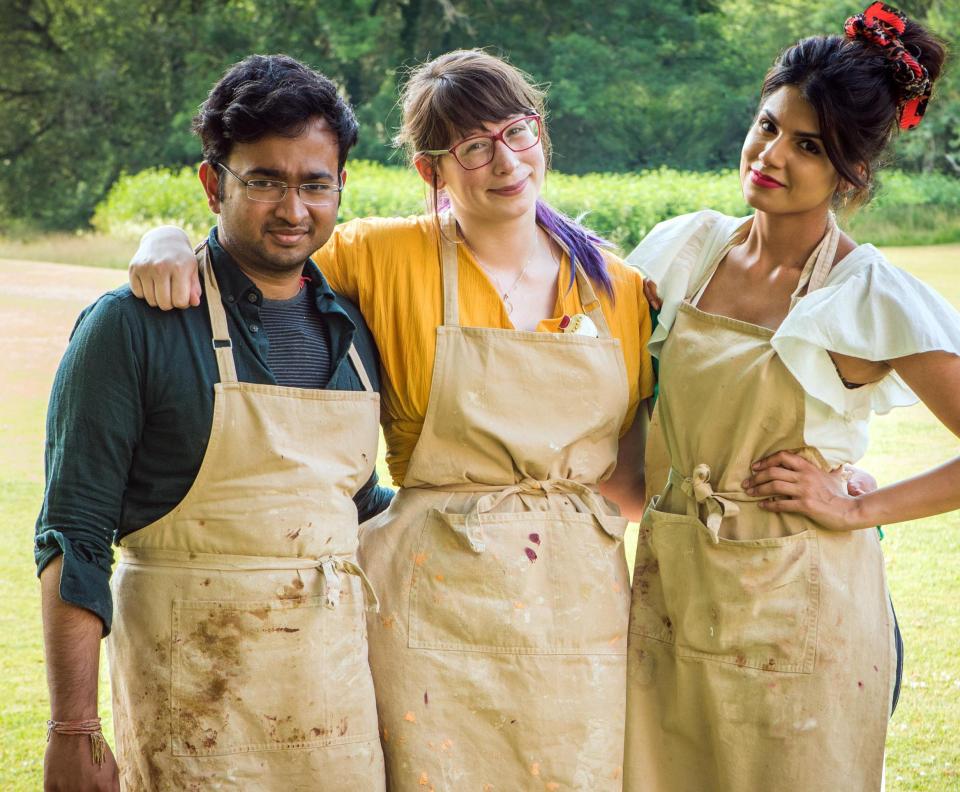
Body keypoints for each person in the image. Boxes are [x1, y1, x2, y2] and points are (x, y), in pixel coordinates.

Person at [130, 49, 653, 790]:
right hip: (429, 607)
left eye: (516, 131)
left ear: (541, 134)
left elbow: (631, 478)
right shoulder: (377, 256)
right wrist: (163, 242)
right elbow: (261, 243)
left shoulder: (620, 286)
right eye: (471, 146)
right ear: (429, 170)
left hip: (578, 612)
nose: (502, 160)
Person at [36, 54, 393, 791]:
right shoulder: (131, 328)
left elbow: (352, 507)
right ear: (212, 183)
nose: (293, 210)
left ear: (341, 186)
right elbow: (73, 536)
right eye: (264, 180)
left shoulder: (357, 330)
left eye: (314, 184)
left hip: (335, 719)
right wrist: (72, 729)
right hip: (191, 708)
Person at [623, 4, 958, 789]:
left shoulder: (863, 293)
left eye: (808, 146)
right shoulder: (685, 250)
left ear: (853, 173)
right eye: (769, 125)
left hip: (800, 615)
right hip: (674, 590)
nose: (771, 154)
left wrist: (853, 508)